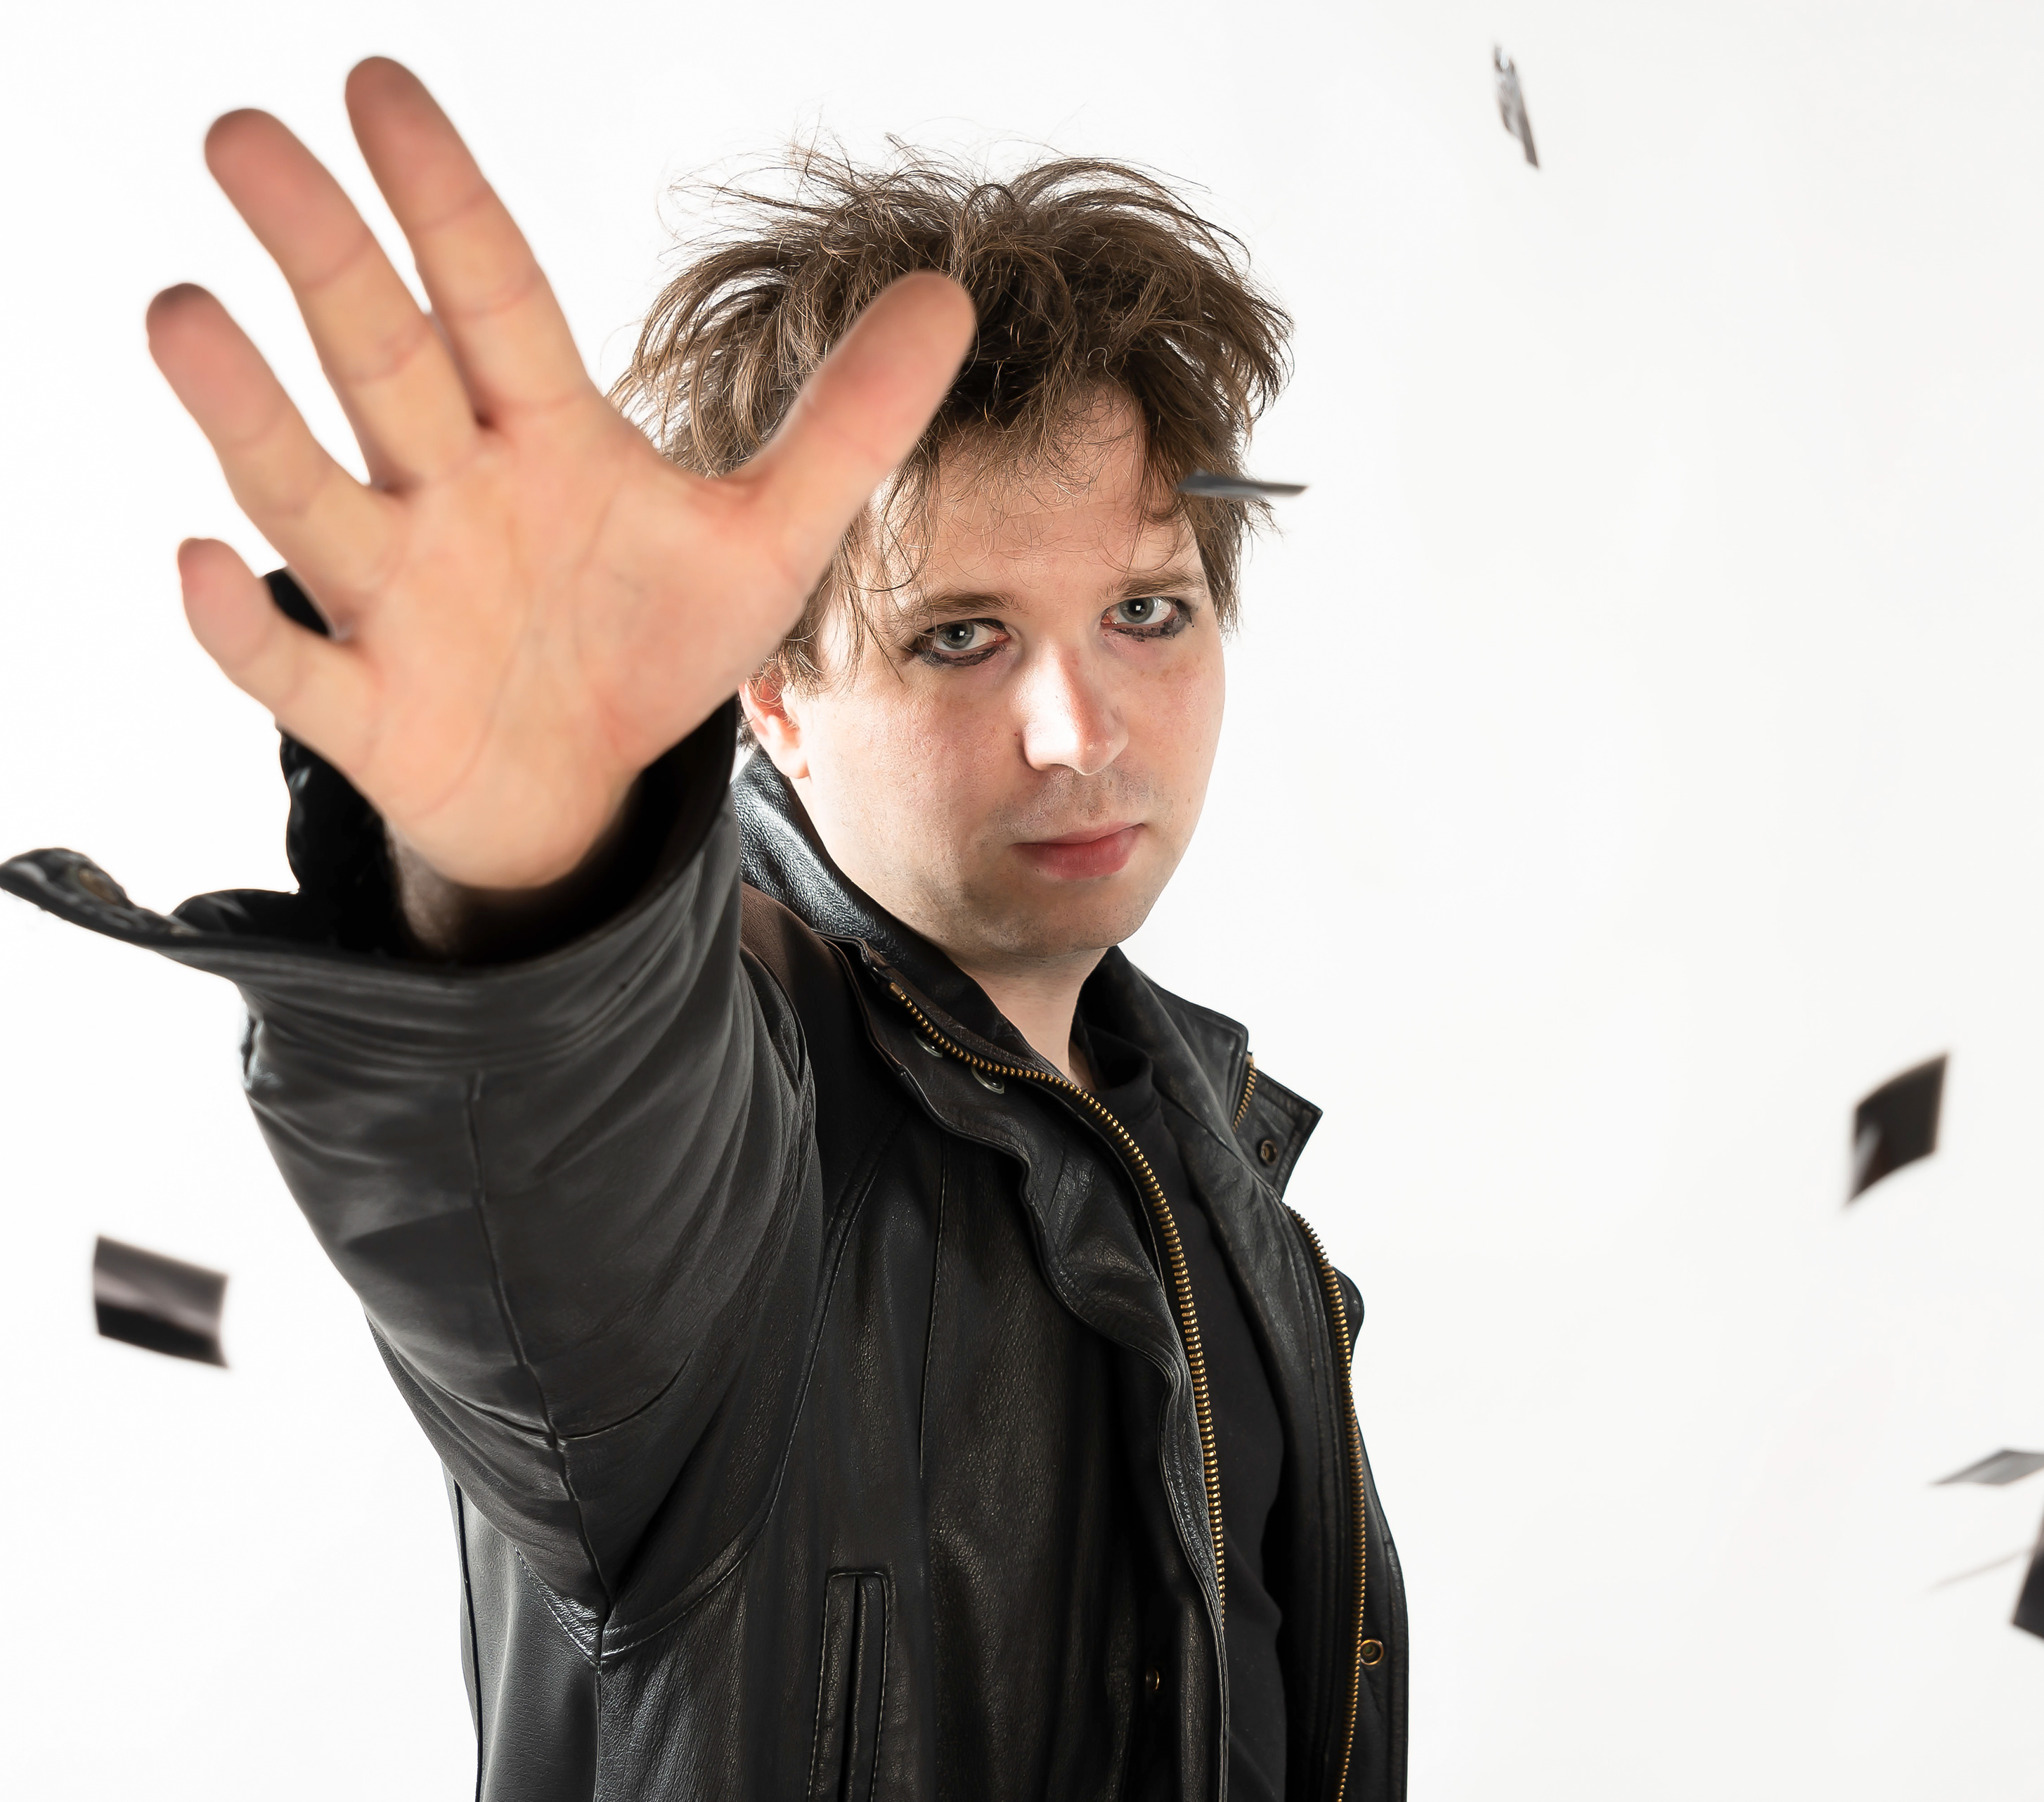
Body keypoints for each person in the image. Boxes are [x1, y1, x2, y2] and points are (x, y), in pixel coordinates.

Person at [1, 56, 1403, 1802]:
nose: (1079, 728)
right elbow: (569, 1142)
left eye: (1146, 611)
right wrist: (534, 884)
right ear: (773, 697)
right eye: (960, 635)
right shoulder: (738, 1117)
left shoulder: (1212, 1160)